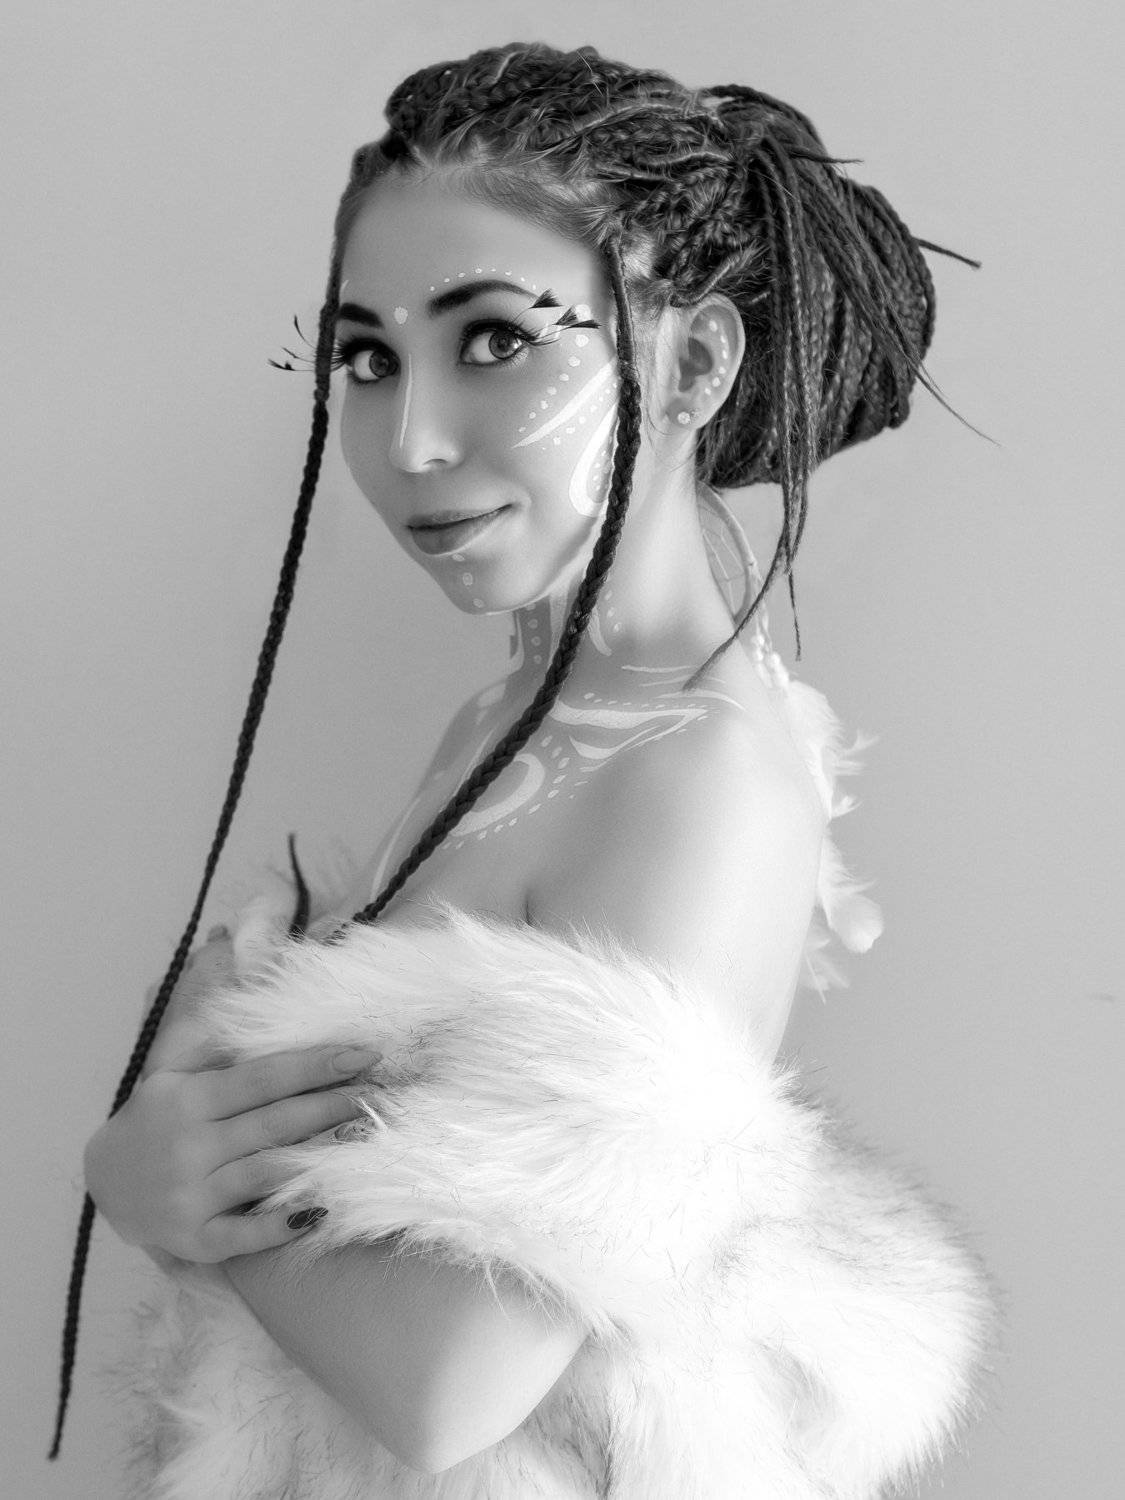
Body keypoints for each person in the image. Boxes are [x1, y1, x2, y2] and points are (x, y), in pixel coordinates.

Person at [65, 41, 995, 1498]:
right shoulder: (519, 716)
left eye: (495, 340)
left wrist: (166, 1189)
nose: (411, 440)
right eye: (367, 358)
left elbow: (454, 1385)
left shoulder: (699, 781)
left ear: (692, 363)